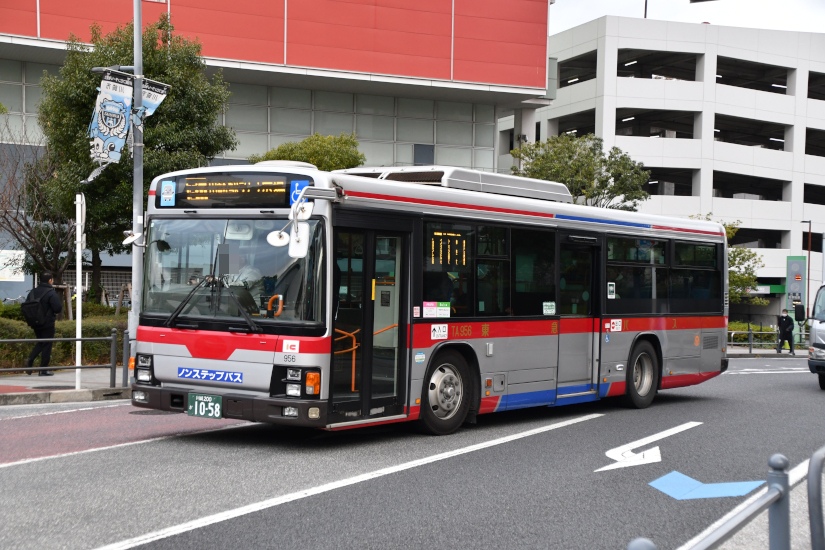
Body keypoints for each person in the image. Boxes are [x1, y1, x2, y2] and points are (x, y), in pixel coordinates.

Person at [26, 272, 63, 376]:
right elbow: (58, 308)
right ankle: (43, 369)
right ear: (50, 280)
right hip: (47, 323)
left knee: (41, 342)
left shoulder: (33, 292)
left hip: (34, 322)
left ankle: (30, 359)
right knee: (47, 344)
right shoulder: (51, 292)